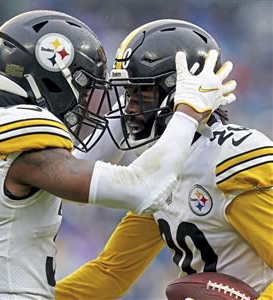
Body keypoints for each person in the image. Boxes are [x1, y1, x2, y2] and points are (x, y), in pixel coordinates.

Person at [0, 12, 235, 299]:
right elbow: (144, 186)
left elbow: (82, 162)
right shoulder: (23, 131)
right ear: (50, 80)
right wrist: (187, 110)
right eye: (84, 88)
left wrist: (138, 100)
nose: (85, 101)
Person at [55, 20, 273, 300]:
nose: (130, 108)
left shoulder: (231, 159)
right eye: (128, 94)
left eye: (141, 94)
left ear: (177, 93)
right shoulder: (164, 168)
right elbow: (111, 272)